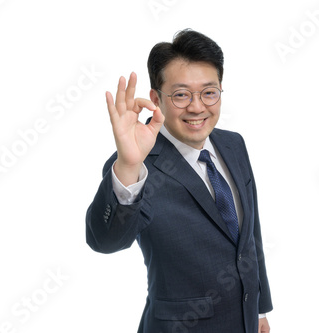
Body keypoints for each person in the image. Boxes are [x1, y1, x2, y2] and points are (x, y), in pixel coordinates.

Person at [86, 29, 273, 333]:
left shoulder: (233, 145)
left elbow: (251, 237)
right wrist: (129, 164)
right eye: (181, 94)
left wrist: (260, 308)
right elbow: (105, 241)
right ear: (156, 99)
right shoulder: (136, 164)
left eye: (209, 92)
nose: (197, 107)